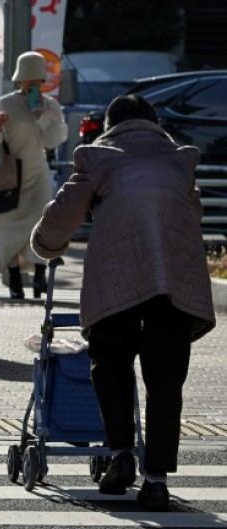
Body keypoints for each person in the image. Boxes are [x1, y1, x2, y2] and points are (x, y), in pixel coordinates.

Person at [31, 94, 216, 512]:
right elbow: (193, 215)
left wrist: (46, 246)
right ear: (153, 122)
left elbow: (63, 215)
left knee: (109, 361)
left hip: (118, 277)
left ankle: (120, 456)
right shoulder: (177, 161)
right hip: (174, 281)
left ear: (111, 125)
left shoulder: (100, 157)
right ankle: (156, 481)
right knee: (166, 381)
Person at [0, 51, 68, 300]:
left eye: (35, 80)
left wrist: (41, 117)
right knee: (6, 229)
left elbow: (53, 141)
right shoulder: (5, 104)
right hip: (9, 177)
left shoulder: (51, 106)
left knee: (40, 226)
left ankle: (40, 274)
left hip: (38, 174)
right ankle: (14, 279)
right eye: (26, 80)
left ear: (42, 81)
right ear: (19, 80)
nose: (30, 85)